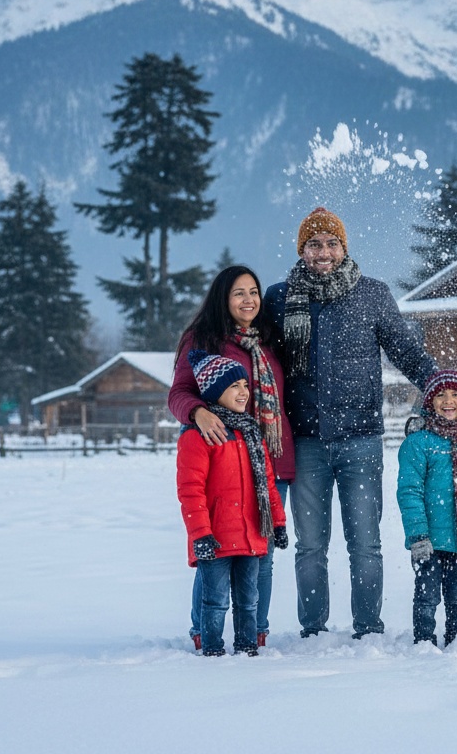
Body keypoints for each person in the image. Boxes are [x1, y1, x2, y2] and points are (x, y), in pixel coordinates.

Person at [264, 206, 437, 639]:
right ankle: (313, 630)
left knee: (365, 545)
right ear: (301, 249)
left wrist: (442, 384)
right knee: (310, 547)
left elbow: (407, 352)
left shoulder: (372, 294)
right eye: (314, 244)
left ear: (344, 247)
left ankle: (368, 628)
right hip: (305, 442)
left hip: (360, 440)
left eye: (332, 243)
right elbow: (258, 358)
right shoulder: (280, 298)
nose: (324, 252)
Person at [168, 265, 295, 648]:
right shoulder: (203, 338)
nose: (248, 300)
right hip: (221, 461)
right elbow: (178, 393)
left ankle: (254, 628)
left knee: (261, 552)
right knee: (216, 553)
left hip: (268, 457)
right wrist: (198, 412)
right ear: (223, 298)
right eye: (239, 292)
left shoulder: (269, 340)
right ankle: (202, 630)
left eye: (254, 291)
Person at [176, 350, 288, 656]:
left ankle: (247, 648)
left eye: (244, 385)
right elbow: (190, 491)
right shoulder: (198, 436)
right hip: (216, 538)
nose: (243, 392)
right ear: (214, 392)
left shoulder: (252, 433)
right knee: (214, 601)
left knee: (248, 599)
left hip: (252, 535)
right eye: (233, 386)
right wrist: (200, 535)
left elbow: (267, 483)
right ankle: (212, 650)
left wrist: (277, 524)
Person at [396, 369, 457, 646]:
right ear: (429, 401)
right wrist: (418, 535)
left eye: (456, 394)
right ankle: (424, 643)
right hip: (428, 540)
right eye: (441, 394)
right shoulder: (419, 443)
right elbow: (409, 492)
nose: (449, 400)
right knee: (427, 597)